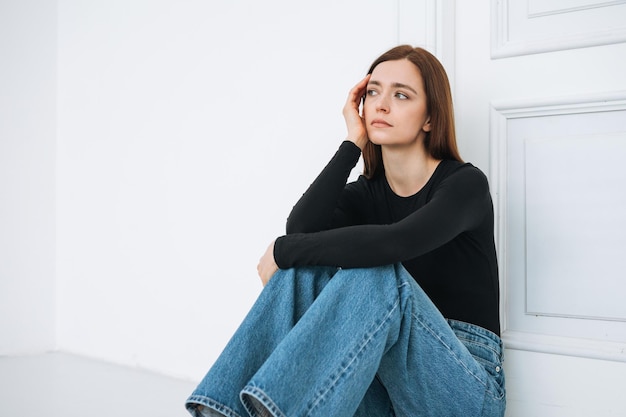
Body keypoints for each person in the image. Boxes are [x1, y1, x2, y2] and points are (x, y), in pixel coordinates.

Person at [185, 45, 506, 417]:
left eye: (401, 95)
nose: (381, 105)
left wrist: (283, 250)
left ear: (430, 118)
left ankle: (279, 410)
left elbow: (395, 242)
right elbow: (302, 229)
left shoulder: (465, 185)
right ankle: (221, 411)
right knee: (304, 271)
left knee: (377, 274)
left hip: (463, 388)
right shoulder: (366, 193)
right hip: (385, 386)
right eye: (373, 93)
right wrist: (352, 142)